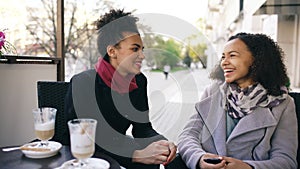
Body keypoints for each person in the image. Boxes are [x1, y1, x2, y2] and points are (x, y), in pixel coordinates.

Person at [62, 9, 176, 169]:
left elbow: (143, 128)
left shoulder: (139, 81)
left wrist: (162, 143)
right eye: (135, 49)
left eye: (142, 49)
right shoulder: (82, 83)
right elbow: (89, 139)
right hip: (80, 154)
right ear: (112, 51)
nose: (142, 55)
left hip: (117, 148)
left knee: (157, 159)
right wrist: (136, 155)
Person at [178, 32, 298, 169]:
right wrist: (199, 158)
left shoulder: (283, 104)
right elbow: (187, 136)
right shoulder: (213, 93)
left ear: (256, 59)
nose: (224, 62)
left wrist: (248, 167)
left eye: (232, 55)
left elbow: (286, 160)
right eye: (223, 57)